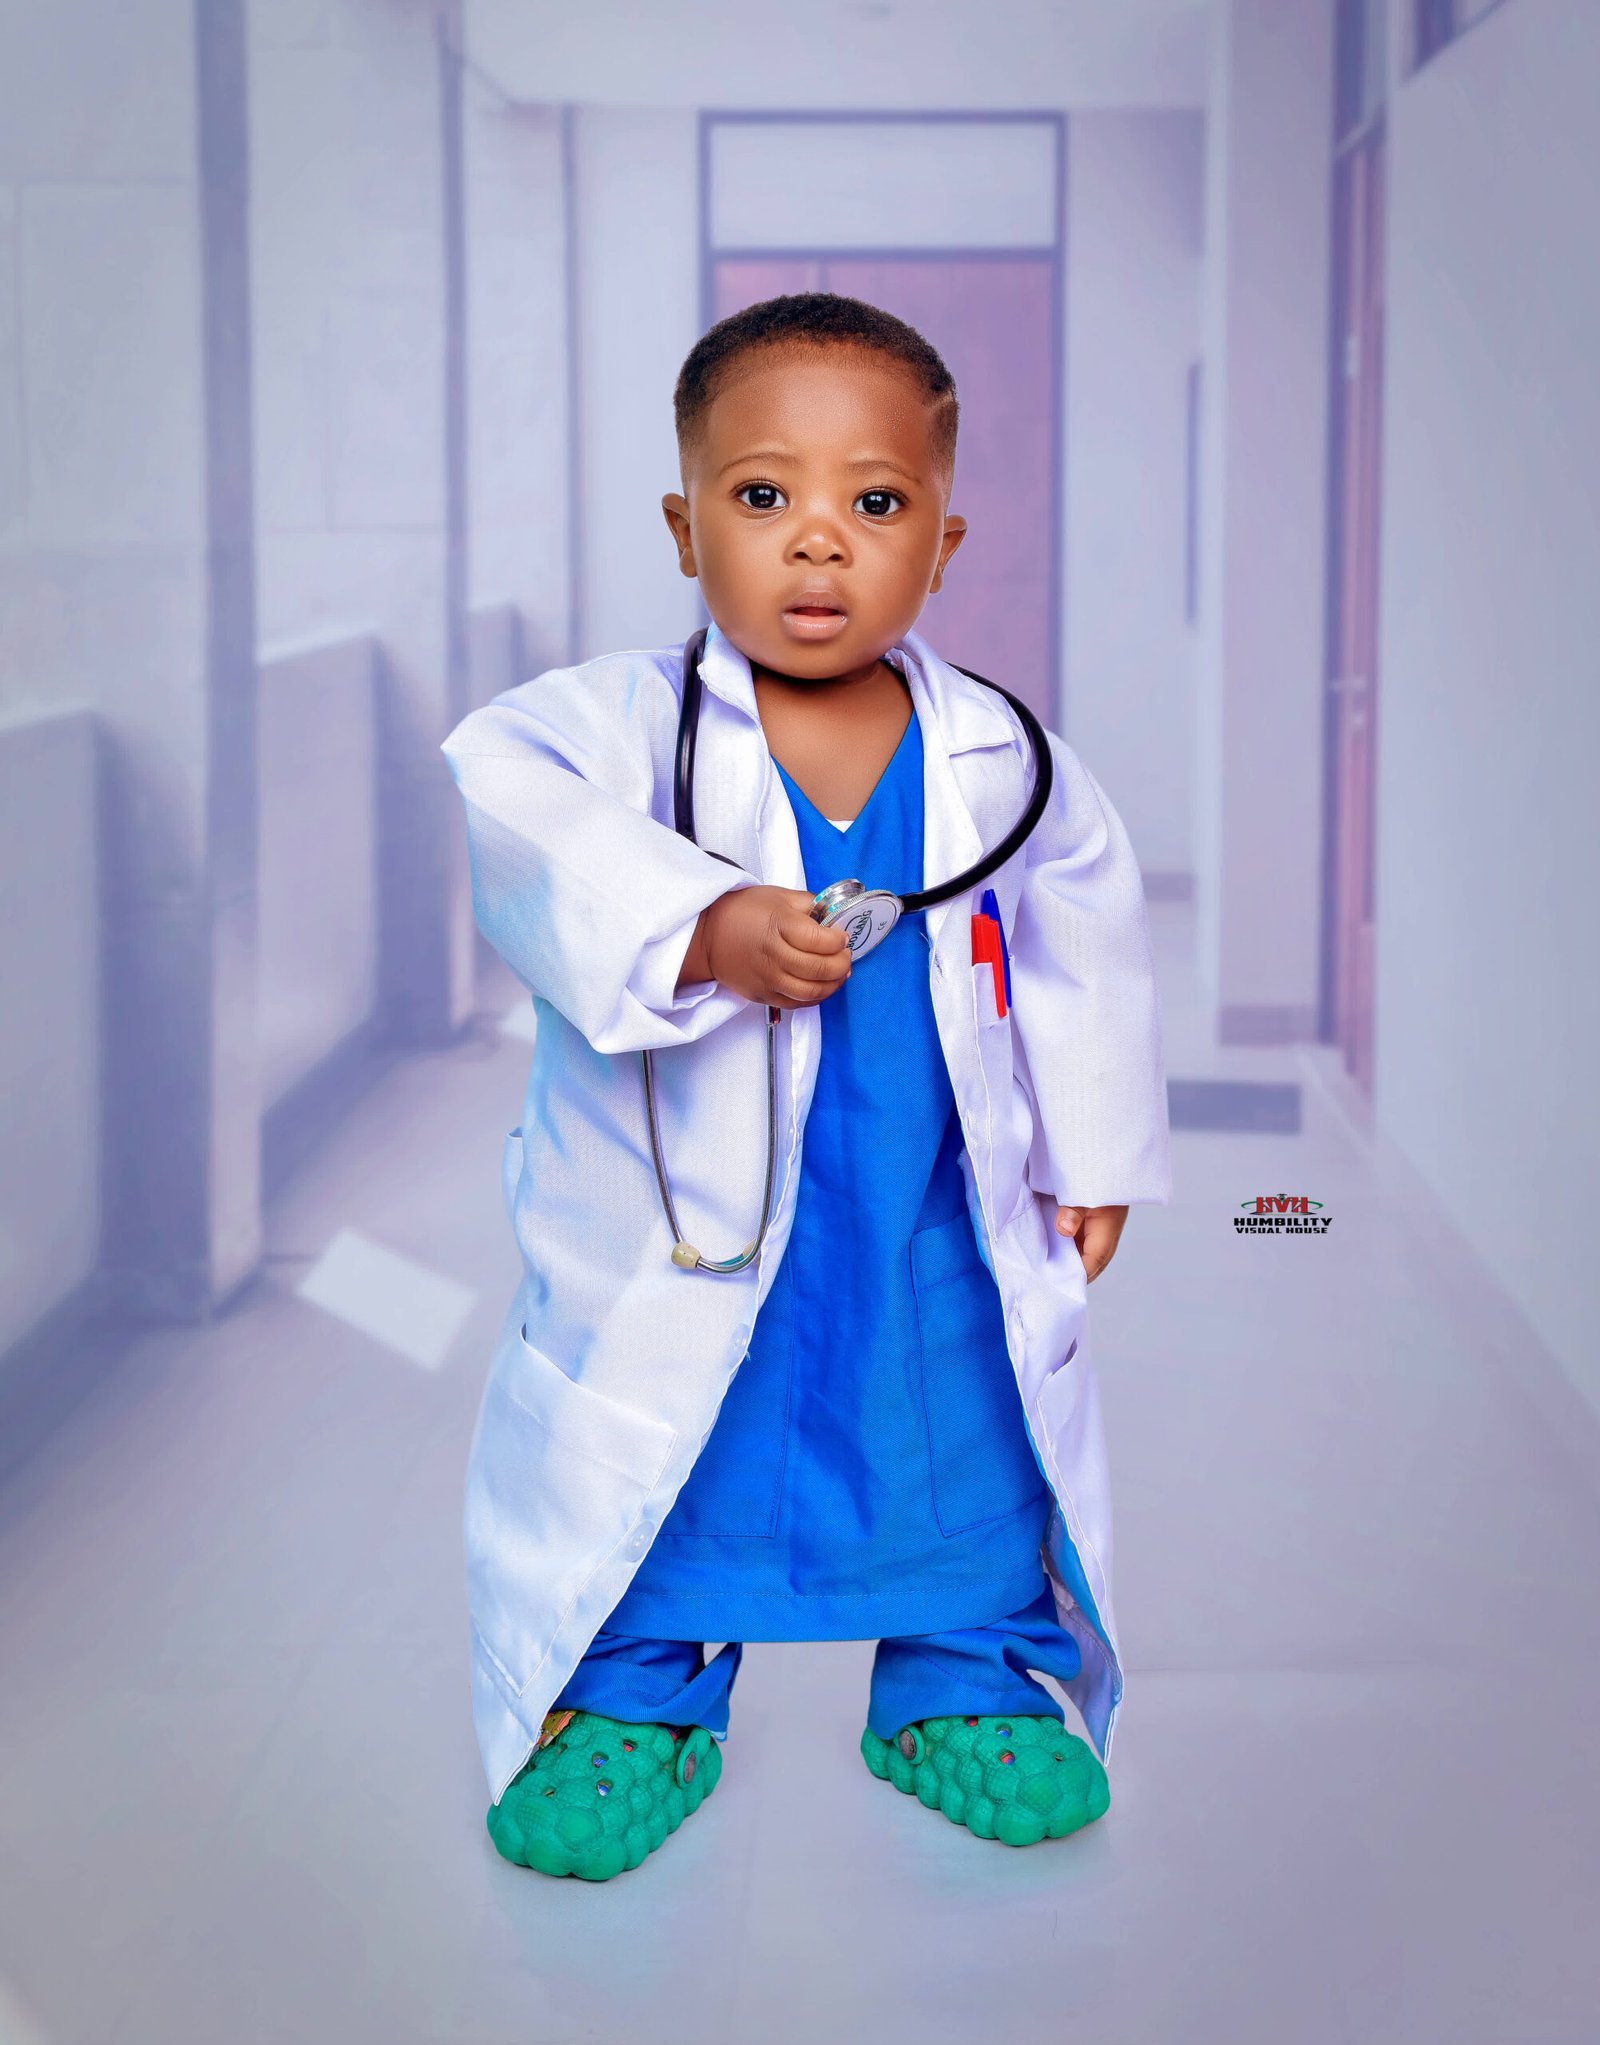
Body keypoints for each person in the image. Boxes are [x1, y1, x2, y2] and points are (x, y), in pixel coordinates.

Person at [440, 293, 1171, 1882]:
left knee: (955, 1421)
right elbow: (508, 799)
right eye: (764, 494)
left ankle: (964, 1676)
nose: (820, 540)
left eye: (878, 502)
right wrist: (700, 924)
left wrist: (1095, 1146)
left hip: (924, 1199)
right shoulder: (617, 726)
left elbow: (1086, 932)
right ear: (684, 526)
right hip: (684, 1224)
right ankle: (631, 1697)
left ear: (943, 545)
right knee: (681, 1438)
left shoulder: (1002, 754)